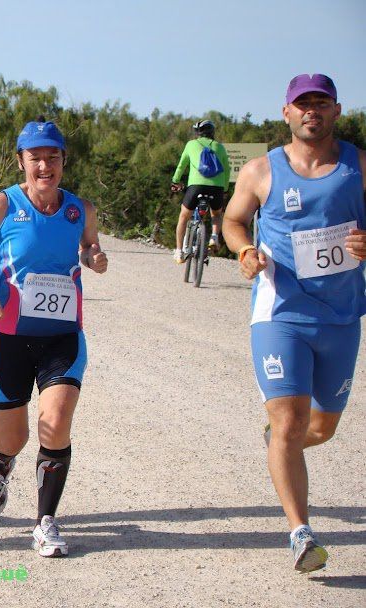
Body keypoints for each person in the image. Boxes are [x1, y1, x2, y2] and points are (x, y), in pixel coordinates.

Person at [223, 73, 366, 574]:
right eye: (302, 104)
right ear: (286, 113)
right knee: (289, 421)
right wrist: (243, 250)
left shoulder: (359, 166)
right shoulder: (262, 170)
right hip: (280, 313)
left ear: (336, 111)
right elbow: (233, 220)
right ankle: (300, 532)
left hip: (343, 317)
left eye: (321, 103)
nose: (312, 111)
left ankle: (281, 446)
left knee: (320, 429)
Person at [0, 119, 108, 557]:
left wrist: (93, 257)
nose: (45, 166)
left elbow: (88, 247)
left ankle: (45, 522)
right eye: (35, 158)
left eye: (53, 157)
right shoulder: (3, 205)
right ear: (21, 161)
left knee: (54, 424)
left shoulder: (80, 210)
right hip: (9, 339)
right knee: (14, 437)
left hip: (63, 337)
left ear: (63, 161)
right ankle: (0, 465)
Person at [171, 119, 230, 262]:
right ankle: (214, 237)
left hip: (196, 186)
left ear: (197, 133)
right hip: (217, 187)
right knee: (216, 214)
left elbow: (181, 166)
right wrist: (225, 189)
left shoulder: (191, 145)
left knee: (184, 216)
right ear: (212, 132)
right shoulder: (219, 147)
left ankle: (179, 251)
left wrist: (175, 181)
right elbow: (227, 170)